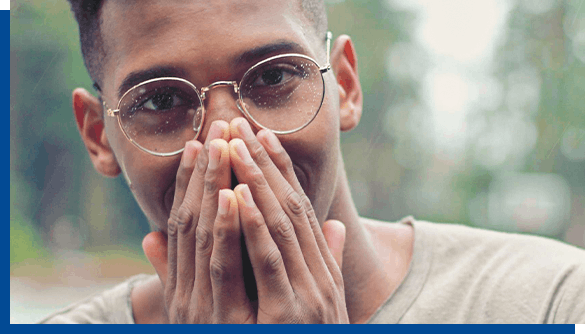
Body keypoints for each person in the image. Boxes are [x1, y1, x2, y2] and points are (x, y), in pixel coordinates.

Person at [40, 0, 585, 324]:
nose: (228, 140)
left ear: (343, 84)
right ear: (99, 136)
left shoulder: (549, 303)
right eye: (161, 101)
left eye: (274, 78)